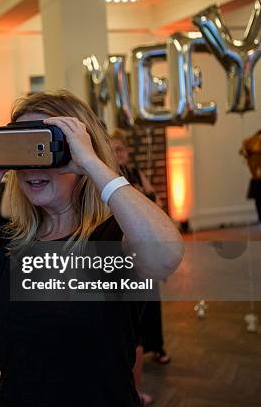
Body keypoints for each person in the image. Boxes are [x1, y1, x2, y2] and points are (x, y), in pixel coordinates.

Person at [0, 91, 183, 406]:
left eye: (45, 150)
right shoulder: (12, 242)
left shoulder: (114, 236)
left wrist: (93, 164)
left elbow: (166, 256)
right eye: (20, 151)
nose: (31, 167)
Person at [109, 131, 170, 406]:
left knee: (149, 307)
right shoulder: (105, 179)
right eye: (114, 149)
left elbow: (153, 202)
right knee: (129, 328)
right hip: (120, 257)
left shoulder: (135, 172)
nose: (119, 153)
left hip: (142, 254)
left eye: (121, 148)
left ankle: (155, 350)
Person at [240, 129, 261, 223]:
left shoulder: (250, 141)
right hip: (257, 179)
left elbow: (243, 153)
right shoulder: (254, 141)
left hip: (256, 180)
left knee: (259, 203)